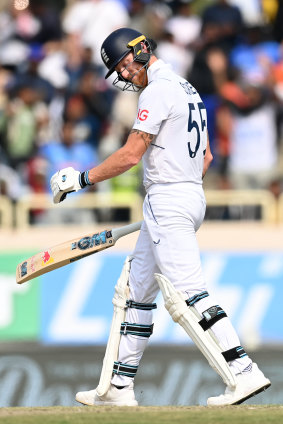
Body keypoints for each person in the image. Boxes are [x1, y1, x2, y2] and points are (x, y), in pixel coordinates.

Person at [50, 28, 271, 406]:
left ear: (140, 50)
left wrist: (81, 179)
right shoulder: (186, 87)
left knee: (187, 294)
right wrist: (178, 190)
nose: (122, 74)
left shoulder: (158, 89)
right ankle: (119, 388)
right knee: (136, 293)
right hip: (183, 195)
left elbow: (131, 154)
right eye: (117, 69)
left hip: (168, 199)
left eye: (123, 63)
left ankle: (244, 372)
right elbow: (206, 158)